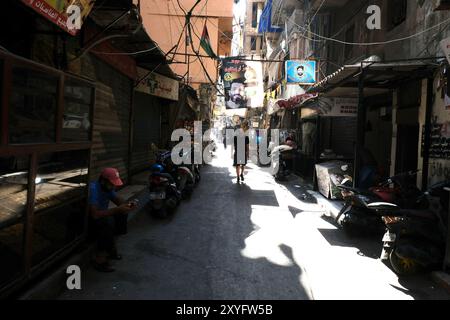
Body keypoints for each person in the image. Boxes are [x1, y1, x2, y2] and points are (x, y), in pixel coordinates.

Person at [89, 168, 135, 272]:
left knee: (122, 214)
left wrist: (126, 205)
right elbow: (95, 215)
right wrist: (118, 209)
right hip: (90, 220)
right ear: (103, 181)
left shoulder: (107, 188)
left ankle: (111, 247)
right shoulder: (94, 189)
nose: (113, 187)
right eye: (112, 184)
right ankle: (99, 259)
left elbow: (117, 200)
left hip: (101, 216)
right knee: (107, 223)